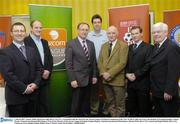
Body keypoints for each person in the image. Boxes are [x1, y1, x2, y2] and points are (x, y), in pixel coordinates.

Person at [1, 22, 42, 117]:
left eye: (22, 31)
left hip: (32, 96)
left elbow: (39, 69)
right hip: (16, 98)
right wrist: (24, 88)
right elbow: (8, 75)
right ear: (11, 33)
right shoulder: (5, 52)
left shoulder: (32, 50)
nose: (19, 33)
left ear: (25, 33)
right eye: (16, 31)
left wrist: (35, 84)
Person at [65, 22, 98, 116]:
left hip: (89, 79)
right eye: (82, 29)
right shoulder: (71, 43)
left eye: (86, 30)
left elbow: (93, 62)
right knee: (76, 105)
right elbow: (68, 64)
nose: (84, 32)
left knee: (86, 104)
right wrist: (72, 79)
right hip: (77, 80)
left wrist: (94, 75)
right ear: (78, 30)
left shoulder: (91, 44)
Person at [150, 22, 180, 116]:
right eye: (154, 32)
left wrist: (169, 91)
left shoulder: (172, 47)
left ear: (166, 33)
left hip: (166, 93)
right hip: (157, 91)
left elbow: (174, 71)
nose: (155, 34)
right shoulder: (156, 46)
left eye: (158, 32)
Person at [24, 20, 53, 116]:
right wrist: (41, 72)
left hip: (45, 80)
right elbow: (26, 61)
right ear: (31, 28)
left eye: (40, 27)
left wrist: (48, 70)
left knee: (44, 106)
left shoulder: (44, 42)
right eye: (36, 27)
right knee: (33, 108)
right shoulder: (25, 42)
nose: (39, 29)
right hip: (32, 81)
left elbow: (49, 58)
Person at [98, 26, 128, 117]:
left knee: (119, 105)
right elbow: (100, 61)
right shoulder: (104, 46)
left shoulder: (123, 46)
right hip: (105, 80)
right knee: (110, 103)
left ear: (117, 34)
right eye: (109, 33)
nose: (111, 35)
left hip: (117, 80)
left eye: (113, 33)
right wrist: (103, 73)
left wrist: (110, 73)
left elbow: (122, 63)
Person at [125, 26, 152, 116]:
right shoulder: (129, 47)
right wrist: (127, 74)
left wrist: (136, 75)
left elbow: (148, 65)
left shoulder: (149, 47)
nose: (134, 36)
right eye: (132, 34)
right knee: (132, 110)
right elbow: (125, 63)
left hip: (142, 84)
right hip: (131, 85)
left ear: (141, 34)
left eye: (136, 33)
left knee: (144, 110)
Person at [87, 14, 108, 116]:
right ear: (92, 24)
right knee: (94, 90)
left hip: (105, 66)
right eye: (95, 22)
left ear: (101, 23)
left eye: (98, 22)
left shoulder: (106, 34)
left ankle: (106, 109)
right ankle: (94, 110)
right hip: (93, 68)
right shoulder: (88, 35)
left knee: (106, 89)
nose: (97, 24)